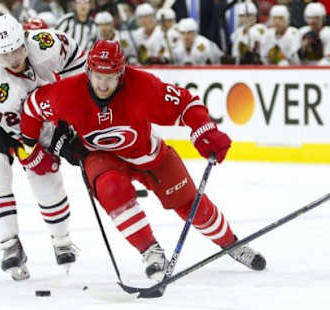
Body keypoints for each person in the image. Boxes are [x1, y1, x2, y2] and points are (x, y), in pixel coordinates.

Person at [20, 40, 267, 282]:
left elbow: (186, 104)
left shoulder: (143, 86)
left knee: (191, 205)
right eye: (97, 76)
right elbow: (31, 109)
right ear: (88, 71)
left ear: (121, 73)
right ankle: (151, 251)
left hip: (146, 153)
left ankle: (232, 244)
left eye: (110, 77)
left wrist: (204, 130)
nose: (103, 84)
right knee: (112, 189)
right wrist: (31, 148)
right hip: (99, 156)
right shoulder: (66, 94)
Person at [0, 14, 85, 280]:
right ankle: (9, 245)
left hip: (30, 115)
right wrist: (54, 145)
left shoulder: (46, 43)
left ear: (25, 40)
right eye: (4, 55)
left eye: (16, 50)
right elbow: (25, 134)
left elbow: (76, 57)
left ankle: (61, 240)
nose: (13, 59)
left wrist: (76, 109)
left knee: (47, 177)